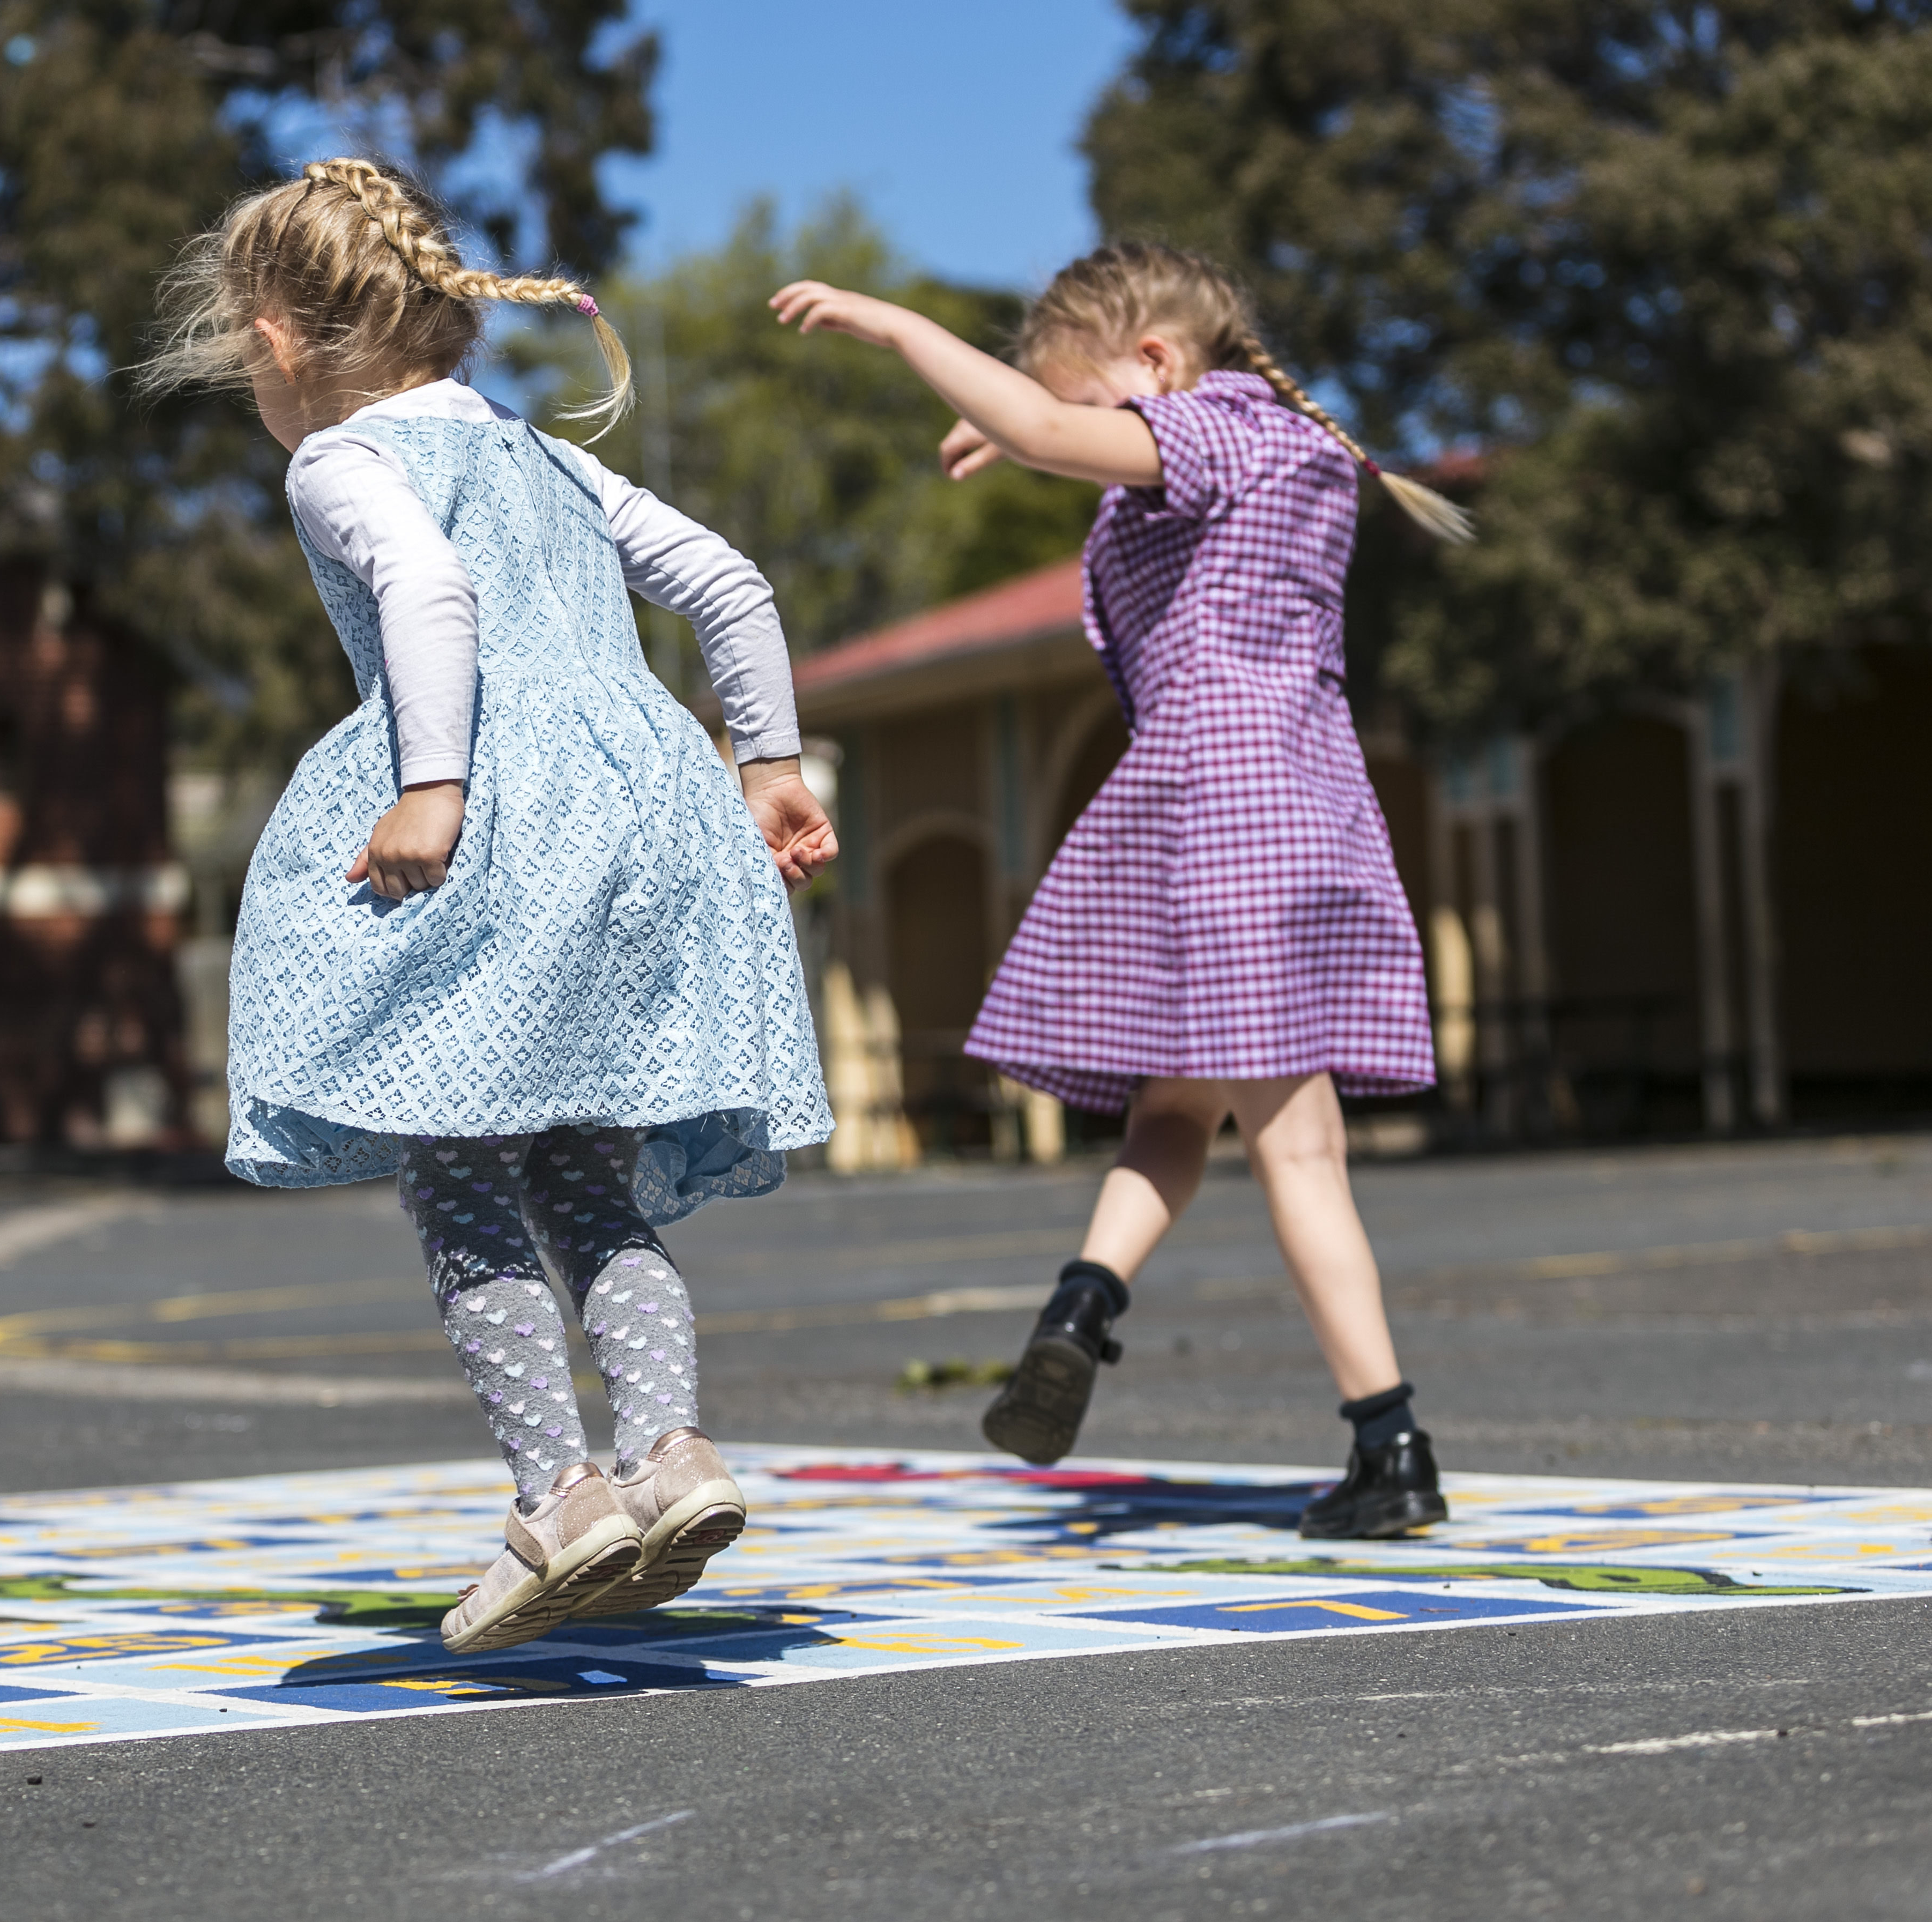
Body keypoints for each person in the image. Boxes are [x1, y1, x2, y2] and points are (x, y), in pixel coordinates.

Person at [155, 158, 836, 1649]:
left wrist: (434, 784)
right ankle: (671, 1453)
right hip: (639, 803)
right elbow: (730, 586)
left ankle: (561, 1493)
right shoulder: (549, 455)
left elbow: (429, 596)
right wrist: (769, 765)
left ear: (277, 340)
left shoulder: (338, 457)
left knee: (461, 1171)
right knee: (585, 1173)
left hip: (502, 817)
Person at [770, 243, 1467, 1541]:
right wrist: (1032, 441)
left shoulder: (1206, 427)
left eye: (1104, 415)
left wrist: (896, 327)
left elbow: (1054, 425)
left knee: (1292, 1149)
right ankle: (1082, 1303)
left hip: (1215, 811)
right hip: (1316, 803)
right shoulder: (1301, 450)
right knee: (1174, 1109)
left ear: (1155, 363)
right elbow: (1070, 441)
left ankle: (1393, 1441)